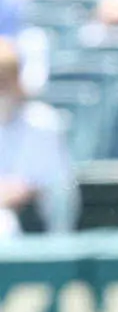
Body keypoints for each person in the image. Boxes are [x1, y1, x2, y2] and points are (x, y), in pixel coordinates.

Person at [0, 38, 79, 235]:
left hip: (35, 222)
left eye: (2, 82)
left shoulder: (42, 121)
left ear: (16, 81)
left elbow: (52, 186)